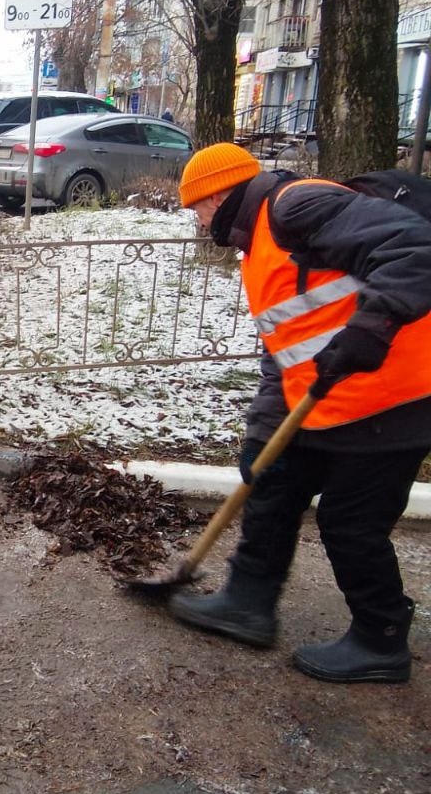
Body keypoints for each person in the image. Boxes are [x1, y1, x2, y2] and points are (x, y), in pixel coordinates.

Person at [170, 142, 431, 683]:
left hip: (396, 397)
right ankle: (247, 603)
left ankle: (381, 639)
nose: (197, 221)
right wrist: (263, 434)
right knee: (274, 482)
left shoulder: (296, 207)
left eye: (196, 208)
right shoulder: (258, 245)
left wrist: (374, 326)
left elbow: (415, 248)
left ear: (217, 196)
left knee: (350, 523)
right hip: (326, 397)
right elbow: (284, 349)